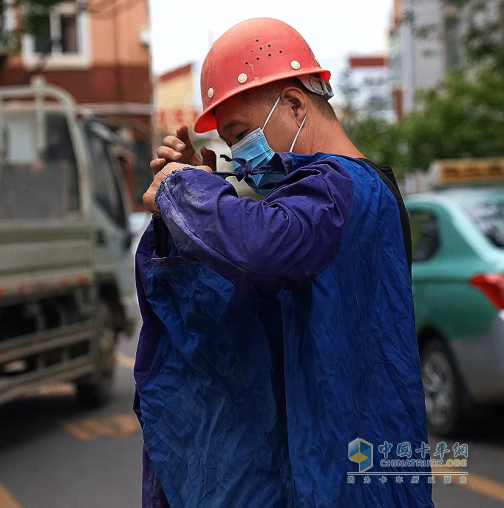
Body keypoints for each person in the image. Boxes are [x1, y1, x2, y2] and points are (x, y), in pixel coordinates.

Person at [134, 17, 433, 508]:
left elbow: (263, 248)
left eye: (241, 134)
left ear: (295, 105)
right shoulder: (341, 193)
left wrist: (185, 190)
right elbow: (237, 292)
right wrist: (202, 195)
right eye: (230, 146)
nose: (237, 155)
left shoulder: (340, 190)